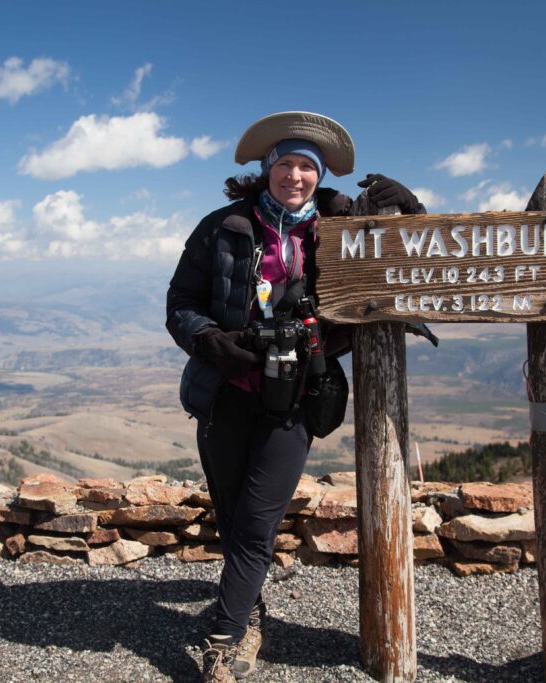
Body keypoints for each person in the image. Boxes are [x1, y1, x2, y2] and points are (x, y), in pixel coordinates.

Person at [165, 111, 425, 682]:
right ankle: (247, 606)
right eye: (285, 163)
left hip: (297, 396)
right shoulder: (224, 226)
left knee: (257, 523)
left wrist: (413, 211)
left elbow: (409, 266)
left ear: (321, 174)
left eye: (307, 166)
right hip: (227, 394)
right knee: (233, 518)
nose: (295, 176)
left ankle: (223, 640)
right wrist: (211, 341)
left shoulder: (343, 227)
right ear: (267, 168)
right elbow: (181, 304)